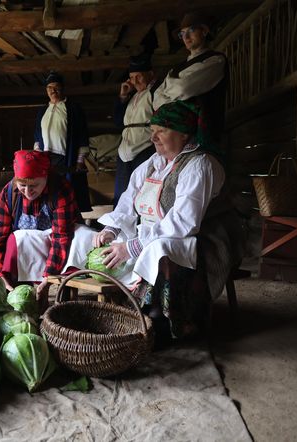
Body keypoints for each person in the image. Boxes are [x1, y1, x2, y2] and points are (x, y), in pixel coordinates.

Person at [92, 100, 243, 343]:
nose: (154, 138)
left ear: (184, 133)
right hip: (158, 232)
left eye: (161, 131)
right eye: (152, 132)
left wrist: (133, 246)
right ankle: (133, 308)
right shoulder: (151, 165)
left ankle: (166, 318)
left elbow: (184, 222)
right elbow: (128, 202)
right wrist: (112, 229)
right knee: (117, 242)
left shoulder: (201, 165)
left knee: (158, 248)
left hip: (203, 238)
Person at [0, 150, 96, 310]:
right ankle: (17, 297)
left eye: (34, 185)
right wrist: (0, 274)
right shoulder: (9, 194)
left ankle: (55, 296)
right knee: (16, 239)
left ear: (45, 176)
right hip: (28, 244)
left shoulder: (61, 190)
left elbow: (62, 237)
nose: (27, 191)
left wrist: (49, 277)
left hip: (59, 243)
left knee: (84, 236)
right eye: (22, 185)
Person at [153, 12, 228, 156]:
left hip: (202, 131)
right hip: (176, 135)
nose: (186, 37)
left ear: (204, 31)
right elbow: (156, 99)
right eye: (182, 34)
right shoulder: (176, 69)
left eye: (191, 31)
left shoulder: (215, 60)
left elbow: (183, 88)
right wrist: (174, 89)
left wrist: (169, 91)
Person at [33, 71, 92, 212]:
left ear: (62, 88)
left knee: (69, 193)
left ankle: (71, 221)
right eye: (50, 88)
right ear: (46, 90)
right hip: (46, 158)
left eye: (56, 87)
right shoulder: (43, 111)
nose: (53, 90)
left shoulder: (73, 109)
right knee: (49, 193)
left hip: (67, 158)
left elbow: (82, 136)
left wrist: (79, 160)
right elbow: (37, 137)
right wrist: (37, 158)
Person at [113, 54, 158, 206]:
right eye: (132, 77)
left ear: (150, 74)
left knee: (142, 192)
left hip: (145, 147)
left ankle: (141, 227)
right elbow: (118, 122)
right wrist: (123, 95)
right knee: (122, 193)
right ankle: (119, 228)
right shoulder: (132, 98)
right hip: (124, 151)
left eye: (139, 76)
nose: (135, 81)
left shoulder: (155, 92)